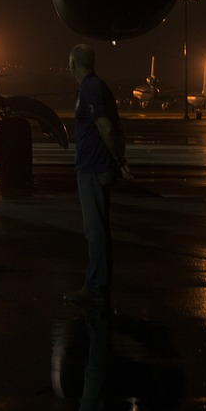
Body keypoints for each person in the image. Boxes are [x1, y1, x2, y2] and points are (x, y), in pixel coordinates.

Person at [65, 43, 128, 305]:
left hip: (93, 168)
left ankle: (96, 287)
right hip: (97, 166)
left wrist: (116, 159)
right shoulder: (98, 87)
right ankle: (99, 283)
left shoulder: (90, 89)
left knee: (95, 231)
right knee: (99, 229)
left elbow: (105, 127)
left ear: (72, 64)